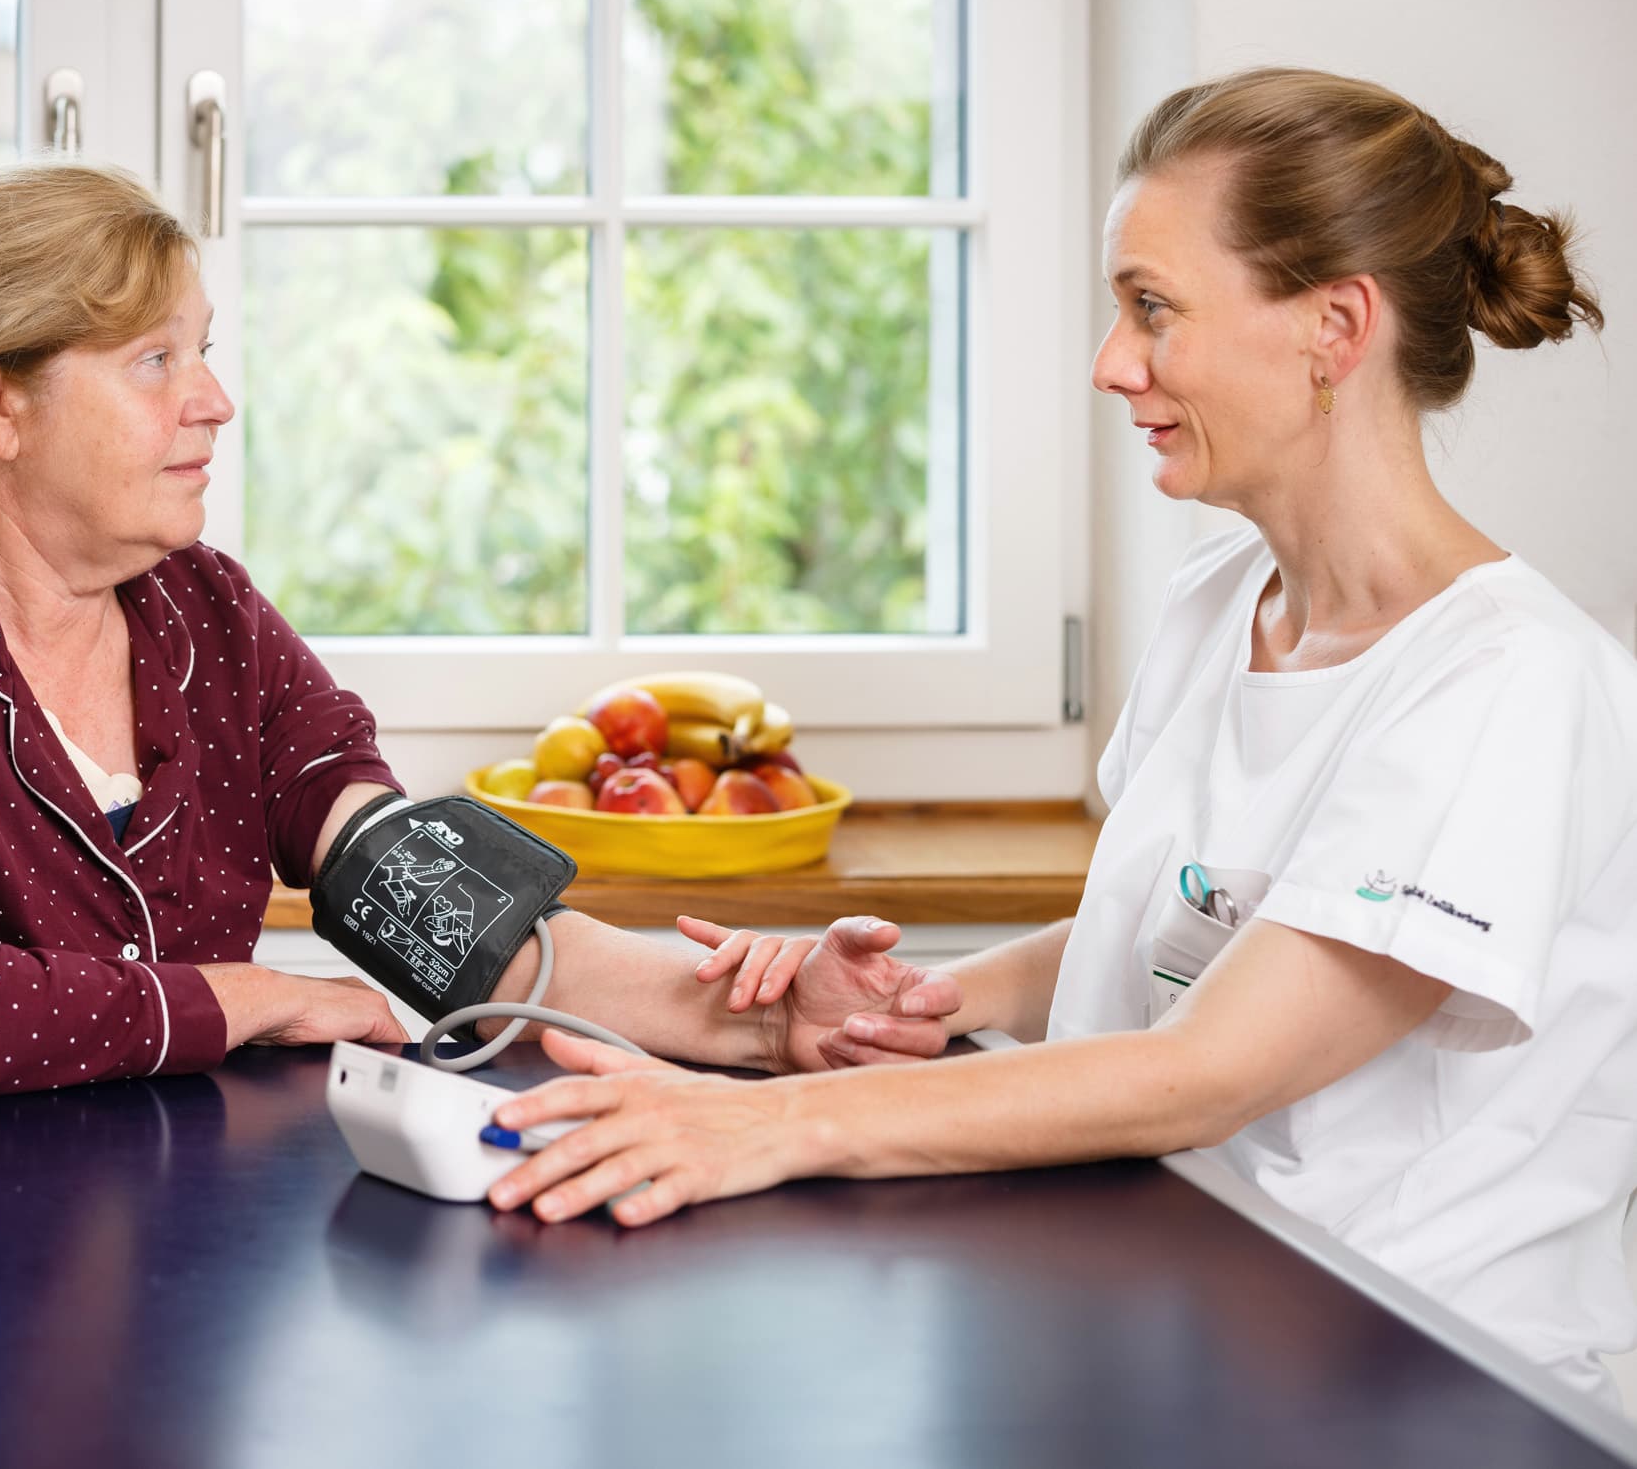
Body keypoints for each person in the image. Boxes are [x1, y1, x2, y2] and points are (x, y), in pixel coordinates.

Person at [481, 68, 1637, 1399]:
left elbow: (1211, 1067)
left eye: (1153, 309)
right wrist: (926, 999)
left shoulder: (1514, 686)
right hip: (1176, 1319)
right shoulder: (1223, 598)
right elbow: (1181, 928)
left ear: (1335, 327)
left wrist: (758, 1122)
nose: (1112, 362)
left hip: (1414, 1390)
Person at [0, 161, 960, 1101]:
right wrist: (259, 997)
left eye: (202, 351)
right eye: (154, 360)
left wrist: (757, 1015)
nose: (213, 401)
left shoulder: (205, 607)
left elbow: (414, 891)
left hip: (152, 1208)